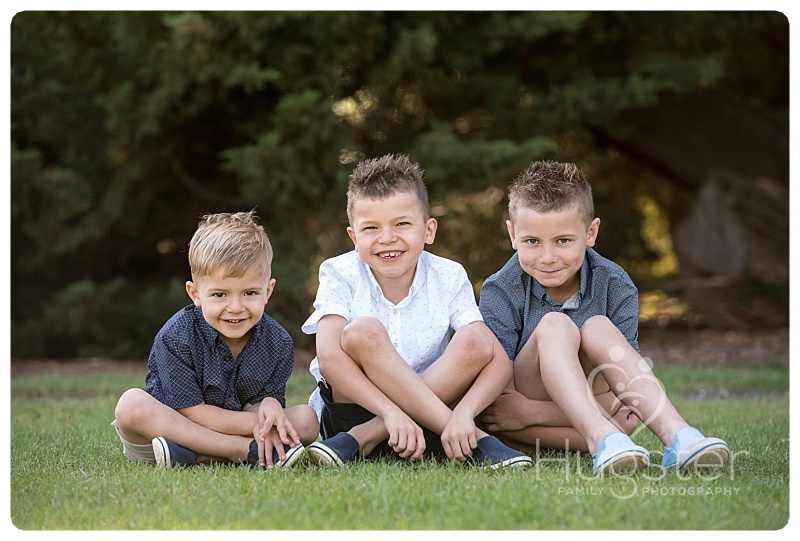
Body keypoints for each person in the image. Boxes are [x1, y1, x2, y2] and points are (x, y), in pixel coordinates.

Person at [478, 160, 730, 474]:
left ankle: (678, 436)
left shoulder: (615, 283)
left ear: (591, 232)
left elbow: (627, 397)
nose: (547, 257)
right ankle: (602, 436)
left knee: (597, 326)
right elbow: (502, 408)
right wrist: (605, 414)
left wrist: (531, 412)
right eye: (532, 242)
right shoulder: (500, 289)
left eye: (563, 241)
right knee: (556, 325)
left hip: (547, 419)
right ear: (513, 235)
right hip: (520, 425)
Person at [302, 154, 532, 469]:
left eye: (402, 224)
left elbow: (497, 361)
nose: (387, 238)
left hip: (425, 422)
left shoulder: (449, 275)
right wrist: (389, 412)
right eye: (371, 227)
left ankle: (367, 436)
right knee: (362, 331)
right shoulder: (339, 271)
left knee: (476, 339)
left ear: (428, 230)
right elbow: (329, 359)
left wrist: (464, 414)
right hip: (354, 412)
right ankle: (477, 443)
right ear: (354, 238)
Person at [112, 211, 319, 469]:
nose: (235, 307)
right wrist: (266, 422)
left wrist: (268, 406)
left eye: (250, 293)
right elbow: (191, 413)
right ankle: (241, 452)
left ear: (268, 291)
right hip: (167, 433)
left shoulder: (277, 343)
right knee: (131, 405)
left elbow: (257, 407)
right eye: (220, 294)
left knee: (308, 419)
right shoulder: (176, 336)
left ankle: (192, 457)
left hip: (219, 433)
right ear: (195, 294)